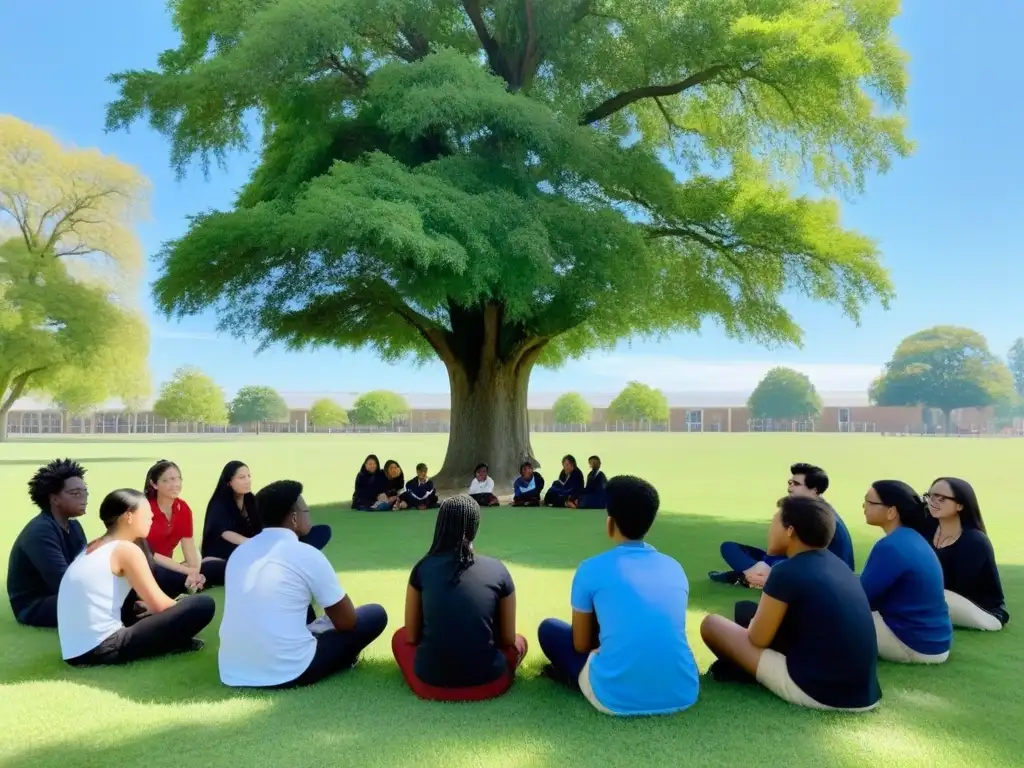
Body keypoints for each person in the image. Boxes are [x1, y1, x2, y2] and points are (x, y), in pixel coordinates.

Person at [701, 496, 881, 712]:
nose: (769, 530)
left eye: (774, 523)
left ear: (790, 531)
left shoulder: (785, 571)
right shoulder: (839, 567)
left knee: (712, 625)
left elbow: (757, 638)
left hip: (820, 693)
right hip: (864, 693)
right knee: (745, 610)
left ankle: (738, 670)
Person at [537, 476, 699, 716]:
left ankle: (586, 676)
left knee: (549, 630)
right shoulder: (674, 567)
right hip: (683, 690)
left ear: (610, 523)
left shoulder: (590, 569)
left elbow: (581, 644)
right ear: (650, 524)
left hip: (613, 697)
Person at [218, 480, 388, 688]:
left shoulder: (239, 553)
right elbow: (347, 621)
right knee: (374, 614)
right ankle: (340, 657)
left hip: (231, 669)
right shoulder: (306, 554)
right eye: (306, 510)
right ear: (295, 517)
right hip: (289, 671)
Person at [58, 488, 216, 666]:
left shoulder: (94, 546)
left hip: (74, 651)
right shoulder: (127, 550)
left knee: (144, 610)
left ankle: (174, 640)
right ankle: (174, 641)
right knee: (203, 605)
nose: (152, 519)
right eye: (147, 514)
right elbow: (161, 605)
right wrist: (180, 608)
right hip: (100, 648)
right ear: (129, 517)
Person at [392, 495, 528, 701]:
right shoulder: (498, 569)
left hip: (430, 685)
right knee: (519, 642)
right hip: (490, 683)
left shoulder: (423, 568)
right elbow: (508, 639)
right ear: (475, 526)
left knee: (400, 638)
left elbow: (411, 636)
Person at [709, 462, 855, 587]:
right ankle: (752, 575)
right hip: (804, 563)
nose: (790, 488)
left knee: (771, 562)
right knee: (730, 548)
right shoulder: (814, 510)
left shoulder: (818, 518)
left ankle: (747, 576)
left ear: (815, 490)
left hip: (821, 572)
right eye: (790, 483)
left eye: (796, 484)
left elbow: (794, 555)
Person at [860, 480, 952, 664]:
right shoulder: (913, 538)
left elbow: (861, 598)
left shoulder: (890, 546)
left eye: (870, 502)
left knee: (832, 613)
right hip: (935, 643)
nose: (864, 506)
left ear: (891, 512)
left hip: (913, 645)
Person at [7, 459, 89, 628]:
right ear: (54, 499)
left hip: (62, 595)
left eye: (85, 492)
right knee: (99, 602)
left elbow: (84, 569)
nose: (84, 498)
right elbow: (64, 582)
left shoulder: (74, 526)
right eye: (75, 493)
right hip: (34, 606)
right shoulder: (40, 531)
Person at [201, 460, 332, 560]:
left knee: (320, 532)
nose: (247, 481)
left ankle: (289, 553)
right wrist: (257, 544)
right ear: (229, 482)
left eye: (249, 476)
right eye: (242, 478)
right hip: (231, 552)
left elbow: (264, 525)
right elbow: (225, 533)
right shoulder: (219, 504)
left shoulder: (250, 500)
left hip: (257, 547)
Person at [925, 477, 1008, 631]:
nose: (932, 502)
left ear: (960, 505)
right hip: (942, 599)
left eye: (941, 498)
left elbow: (961, 588)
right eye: (930, 496)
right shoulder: (928, 530)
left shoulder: (974, 541)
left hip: (983, 612)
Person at [144, 459, 226, 592]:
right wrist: (188, 571)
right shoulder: (145, 509)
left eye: (177, 479)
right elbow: (150, 554)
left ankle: (189, 584)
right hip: (147, 567)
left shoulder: (183, 509)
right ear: (154, 484)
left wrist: (195, 572)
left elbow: (189, 547)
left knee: (214, 569)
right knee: (167, 576)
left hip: (171, 567)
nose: (175, 484)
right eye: (167, 480)